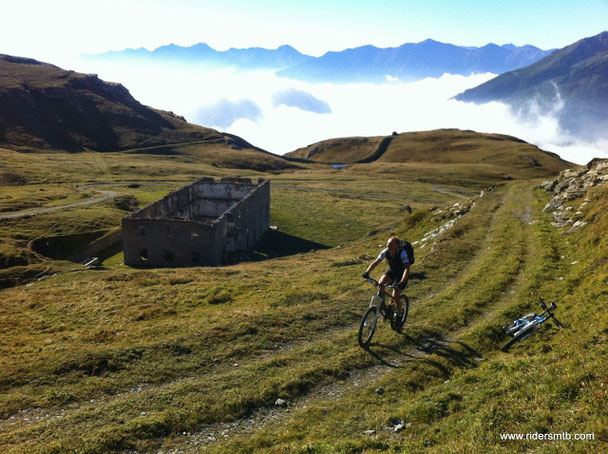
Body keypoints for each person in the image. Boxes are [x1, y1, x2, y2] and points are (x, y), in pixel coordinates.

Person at [362, 236, 410, 329]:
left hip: (402, 274)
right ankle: (385, 307)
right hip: (392, 271)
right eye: (387, 244)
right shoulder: (386, 251)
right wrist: (367, 272)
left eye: (391, 244)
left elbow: (407, 268)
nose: (388, 246)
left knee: (395, 294)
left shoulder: (402, 252)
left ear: (396, 245)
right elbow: (376, 262)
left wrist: (402, 281)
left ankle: (399, 315)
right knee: (380, 284)